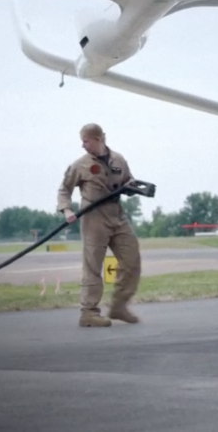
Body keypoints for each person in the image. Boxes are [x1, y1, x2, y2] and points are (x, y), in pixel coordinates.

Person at [57, 123, 142, 327]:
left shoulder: (119, 160)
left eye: (85, 141)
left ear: (97, 139)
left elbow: (127, 181)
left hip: (117, 216)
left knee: (132, 260)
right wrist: (67, 210)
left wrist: (132, 187)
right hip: (93, 218)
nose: (83, 145)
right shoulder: (80, 165)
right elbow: (64, 190)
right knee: (93, 266)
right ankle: (88, 313)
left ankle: (119, 306)